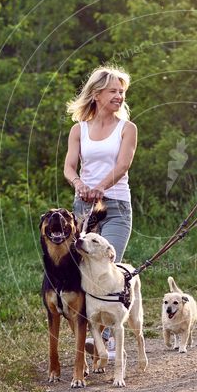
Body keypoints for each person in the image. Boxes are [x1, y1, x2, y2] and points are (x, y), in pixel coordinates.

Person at [64, 67, 137, 351]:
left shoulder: (127, 128)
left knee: (108, 266)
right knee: (86, 271)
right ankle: (92, 331)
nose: (119, 96)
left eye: (122, 92)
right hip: (84, 208)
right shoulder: (78, 129)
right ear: (96, 94)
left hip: (116, 204)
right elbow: (69, 167)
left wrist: (101, 188)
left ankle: (106, 336)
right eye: (114, 91)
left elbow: (123, 166)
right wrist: (79, 183)